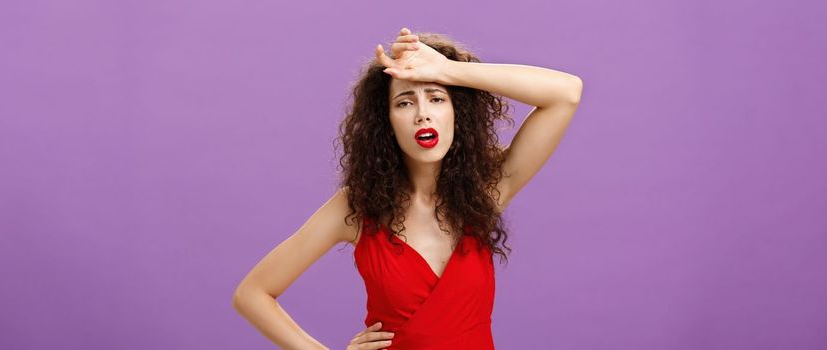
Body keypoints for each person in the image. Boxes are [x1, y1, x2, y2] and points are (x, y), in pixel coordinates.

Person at [232, 27, 583, 349]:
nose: (422, 114)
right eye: (404, 102)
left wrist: (447, 70)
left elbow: (566, 93)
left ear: (457, 112)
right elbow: (252, 294)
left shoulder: (487, 190)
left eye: (436, 98)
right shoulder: (355, 208)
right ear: (385, 123)